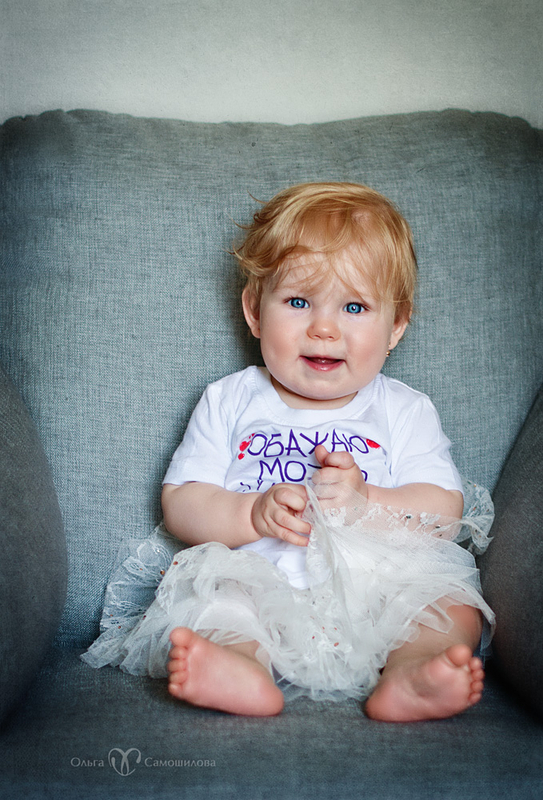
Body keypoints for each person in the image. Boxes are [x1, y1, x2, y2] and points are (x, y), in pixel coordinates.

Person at [82, 182, 494, 722]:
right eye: (298, 302)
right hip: (257, 577)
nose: (323, 328)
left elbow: (444, 513)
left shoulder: (403, 409)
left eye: (354, 306)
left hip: (379, 587)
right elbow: (183, 502)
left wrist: (366, 502)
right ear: (255, 311)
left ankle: (413, 670)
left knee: (448, 605)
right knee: (214, 599)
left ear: (396, 326)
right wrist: (251, 513)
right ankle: (239, 664)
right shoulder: (230, 399)